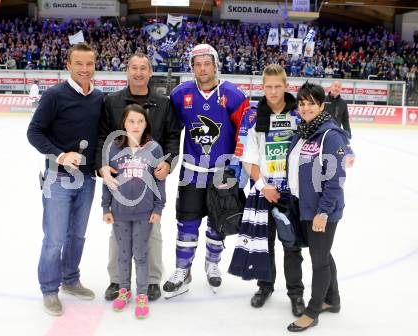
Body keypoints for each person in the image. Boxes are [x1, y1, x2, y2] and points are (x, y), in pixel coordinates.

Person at [163, 43, 250, 298]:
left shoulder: (233, 95)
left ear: (215, 65)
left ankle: (213, 264)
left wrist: (240, 169)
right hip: (191, 171)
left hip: (222, 173)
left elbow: (245, 134)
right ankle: (182, 270)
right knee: (187, 223)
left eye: (207, 64)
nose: (202, 69)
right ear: (192, 67)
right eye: (197, 65)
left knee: (217, 225)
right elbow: (170, 130)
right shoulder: (180, 95)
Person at [96, 53, 181, 302]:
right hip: (121, 180)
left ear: (150, 72)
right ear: (127, 71)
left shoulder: (163, 103)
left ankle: (152, 280)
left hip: (149, 178)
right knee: (118, 235)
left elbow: (173, 137)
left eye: (144, 68)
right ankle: (117, 280)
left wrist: (168, 162)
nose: (139, 72)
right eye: (134, 67)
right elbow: (103, 136)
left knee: (152, 231)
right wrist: (103, 164)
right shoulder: (112, 101)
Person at [27, 43, 103, 316]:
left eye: (89, 64)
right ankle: (49, 289)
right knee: (55, 238)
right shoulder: (54, 95)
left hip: (86, 180)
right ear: (68, 65)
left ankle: (70, 280)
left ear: (95, 65)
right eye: (79, 64)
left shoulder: (99, 98)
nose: (85, 69)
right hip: (57, 179)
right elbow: (34, 132)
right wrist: (59, 155)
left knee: (77, 236)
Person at [228, 64, 305, 316]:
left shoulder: (298, 114)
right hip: (264, 190)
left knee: (291, 245)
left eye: (277, 86)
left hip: (292, 194)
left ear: (286, 86)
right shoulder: (253, 116)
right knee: (265, 243)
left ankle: (296, 294)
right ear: (263, 87)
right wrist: (263, 186)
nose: (272, 91)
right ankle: (265, 285)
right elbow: (248, 159)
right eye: (268, 86)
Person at [286, 82, 347, 332]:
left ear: (322, 105)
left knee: (318, 259)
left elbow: (336, 179)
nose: (305, 107)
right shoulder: (303, 131)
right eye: (301, 103)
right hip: (305, 205)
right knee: (324, 253)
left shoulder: (330, 135)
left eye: (311, 102)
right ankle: (333, 299)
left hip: (323, 209)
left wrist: (323, 211)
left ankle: (313, 311)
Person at [102, 104, 166, 319]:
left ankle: (142, 294)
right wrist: (105, 207)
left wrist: (158, 207)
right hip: (119, 212)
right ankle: (124, 290)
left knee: (140, 254)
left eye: (140, 121)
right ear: (123, 123)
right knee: (122, 254)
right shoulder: (114, 148)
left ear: (146, 123)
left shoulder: (154, 148)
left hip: (144, 213)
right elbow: (108, 180)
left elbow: (159, 182)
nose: (136, 125)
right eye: (131, 121)